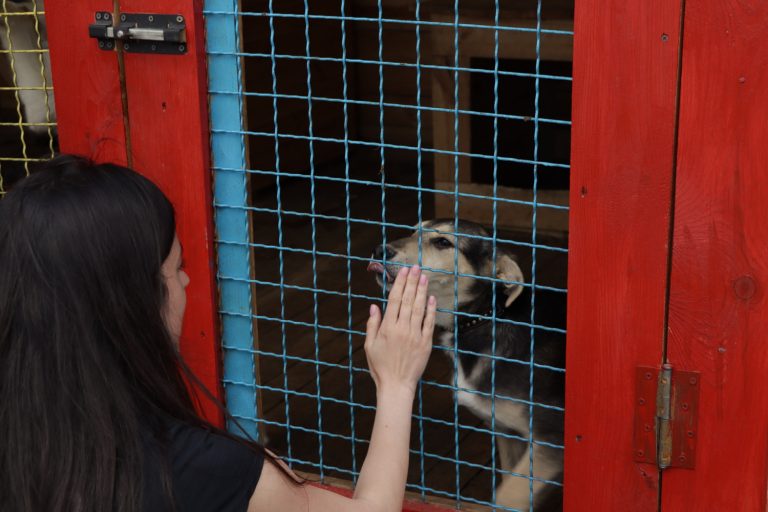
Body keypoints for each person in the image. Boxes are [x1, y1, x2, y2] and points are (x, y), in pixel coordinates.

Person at [0, 155, 437, 512]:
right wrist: (396, 382)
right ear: (129, 305)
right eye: (176, 270)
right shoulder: (198, 468)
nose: (186, 283)